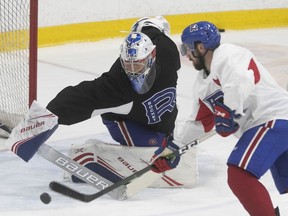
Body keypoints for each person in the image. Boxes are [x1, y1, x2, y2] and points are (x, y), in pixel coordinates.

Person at [45, 16, 181, 177]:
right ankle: (88, 158)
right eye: (128, 64)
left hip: (152, 119)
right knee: (154, 153)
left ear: (152, 55)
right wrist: (47, 117)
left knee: (165, 150)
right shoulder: (118, 84)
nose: (133, 71)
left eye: (138, 64)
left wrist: (172, 139)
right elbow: (82, 97)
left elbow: (153, 33)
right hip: (125, 120)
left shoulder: (169, 53)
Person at [179, 21, 287, 216]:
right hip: (276, 124)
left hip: (272, 119)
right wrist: (174, 149)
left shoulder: (229, 55)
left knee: (240, 175)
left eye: (187, 48)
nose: (186, 55)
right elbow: (199, 123)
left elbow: (240, 80)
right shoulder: (202, 86)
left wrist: (228, 110)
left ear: (200, 47)